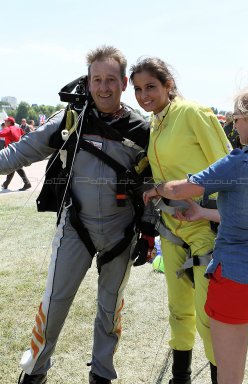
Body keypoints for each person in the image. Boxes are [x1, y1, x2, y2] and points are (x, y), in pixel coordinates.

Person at [0, 46, 156, 384]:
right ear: (88, 81)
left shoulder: (141, 130)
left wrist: (149, 230)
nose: (103, 87)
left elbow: (154, 183)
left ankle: (102, 375)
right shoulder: (72, 119)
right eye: (97, 79)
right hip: (75, 229)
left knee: (109, 309)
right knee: (54, 302)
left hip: (121, 233)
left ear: (124, 83)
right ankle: (35, 370)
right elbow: (20, 152)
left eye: (111, 80)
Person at [143, 81, 248, 384]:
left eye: (235, 119)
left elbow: (182, 187)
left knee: (229, 375)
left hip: (236, 280)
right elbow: (247, 211)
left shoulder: (240, 161)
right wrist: (203, 213)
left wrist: (156, 188)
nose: (232, 126)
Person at [129, 57, 231, 384]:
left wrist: (184, 193)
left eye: (151, 87)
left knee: (208, 317)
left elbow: (228, 167)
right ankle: (180, 377)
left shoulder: (193, 114)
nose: (144, 95)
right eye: (138, 89)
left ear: (168, 85)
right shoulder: (155, 123)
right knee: (178, 311)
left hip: (206, 229)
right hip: (171, 230)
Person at [0, 116, 31, 191]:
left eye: (6, 121)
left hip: (11, 151)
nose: (5, 122)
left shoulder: (8, 128)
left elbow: (1, 134)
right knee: (14, 167)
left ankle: (27, 183)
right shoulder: (18, 128)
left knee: (16, 167)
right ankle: (6, 184)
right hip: (18, 149)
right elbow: (24, 134)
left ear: (10, 122)